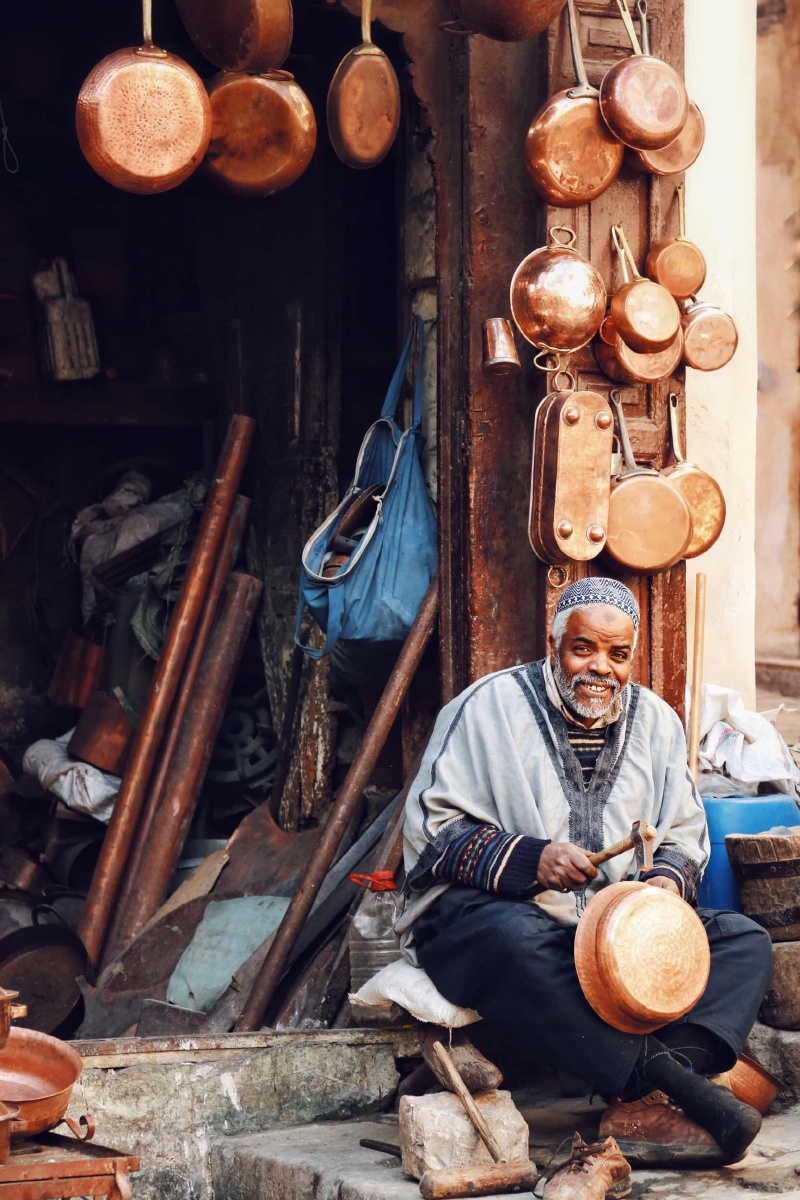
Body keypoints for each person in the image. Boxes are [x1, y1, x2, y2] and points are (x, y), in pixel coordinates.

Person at [397, 577, 773, 1180]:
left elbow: (683, 834)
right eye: (583, 649)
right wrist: (531, 859)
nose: (600, 668)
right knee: (515, 938)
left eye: (618, 654)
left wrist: (666, 887)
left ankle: (638, 1104)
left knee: (741, 942)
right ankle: (672, 1088)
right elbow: (429, 833)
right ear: (554, 646)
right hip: (489, 921)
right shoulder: (485, 707)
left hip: (610, 937)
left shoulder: (655, 720)